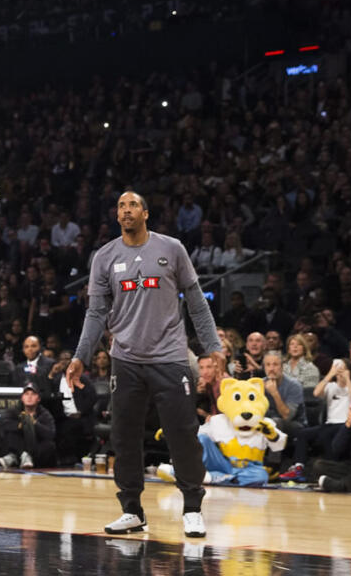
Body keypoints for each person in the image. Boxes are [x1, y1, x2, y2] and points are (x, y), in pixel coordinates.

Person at [66, 190, 223, 540]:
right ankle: (132, 511)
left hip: (170, 358)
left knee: (182, 435)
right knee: (124, 438)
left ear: (146, 213)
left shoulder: (172, 248)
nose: (126, 210)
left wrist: (213, 347)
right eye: (121, 205)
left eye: (133, 204)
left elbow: (197, 304)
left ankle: (193, 509)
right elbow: (95, 313)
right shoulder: (104, 257)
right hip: (126, 360)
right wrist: (80, 356)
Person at [0, 381, 56, 469]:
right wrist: (19, 426)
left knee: (49, 445)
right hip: (17, 443)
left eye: (33, 394)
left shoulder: (44, 414)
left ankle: (17, 457)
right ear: (22, 398)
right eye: (26, 394)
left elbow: (51, 433)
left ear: (38, 398)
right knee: (9, 435)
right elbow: (0, 423)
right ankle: (21, 456)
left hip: (35, 448)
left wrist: (34, 424)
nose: (29, 397)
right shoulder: (14, 410)